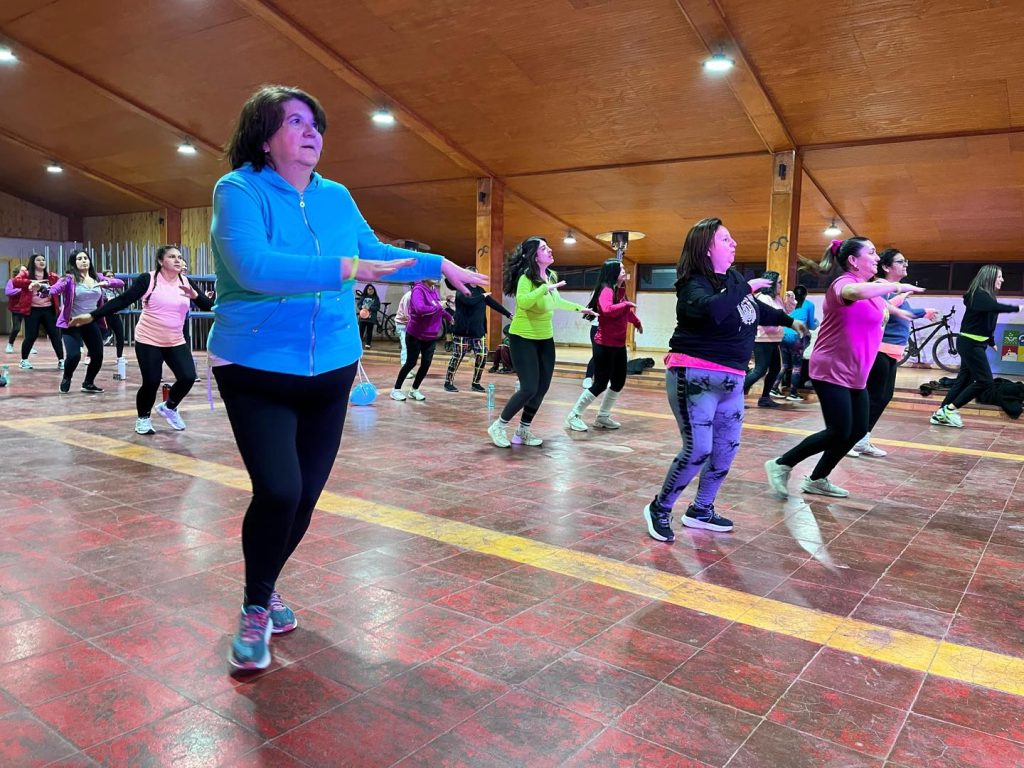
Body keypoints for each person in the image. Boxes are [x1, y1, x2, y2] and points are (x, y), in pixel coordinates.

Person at [206, 84, 486, 670]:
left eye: (316, 123)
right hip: (255, 365)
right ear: (263, 136)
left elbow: (375, 252)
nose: (312, 131)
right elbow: (253, 267)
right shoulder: (238, 190)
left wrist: (440, 264)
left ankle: (265, 586)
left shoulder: (335, 196)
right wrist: (349, 269)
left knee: (305, 498)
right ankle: (255, 606)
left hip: (331, 365)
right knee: (279, 490)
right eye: (295, 121)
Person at [643, 218, 806, 542]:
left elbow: (754, 310)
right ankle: (660, 508)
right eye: (726, 239)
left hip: (732, 380)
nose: (734, 244)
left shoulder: (733, 279)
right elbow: (713, 310)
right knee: (698, 449)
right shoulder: (692, 284)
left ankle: (701, 509)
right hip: (695, 376)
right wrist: (746, 287)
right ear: (707, 247)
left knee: (724, 450)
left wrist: (789, 321)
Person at [764, 238, 924, 499]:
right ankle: (781, 464)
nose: (877, 257)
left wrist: (908, 311)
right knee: (839, 430)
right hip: (832, 368)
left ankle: (817, 479)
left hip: (856, 371)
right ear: (853, 260)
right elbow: (853, 292)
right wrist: (897, 285)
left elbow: (885, 306)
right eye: (871, 252)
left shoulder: (873, 291)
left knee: (858, 429)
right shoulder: (843, 284)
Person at [71, 246, 212, 431]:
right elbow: (123, 300)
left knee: (188, 377)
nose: (178, 260)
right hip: (148, 339)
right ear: (161, 261)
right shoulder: (149, 279)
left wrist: (195, 296)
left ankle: (169, 407)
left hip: (175, 340)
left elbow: (209, 306)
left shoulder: (186, 281)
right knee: (152, 381)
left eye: (179, 257)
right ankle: (143, 418)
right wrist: (92, 316)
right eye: (172, 257)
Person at [488, 237, 594, 448]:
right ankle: (498, 426)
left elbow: (556, 301)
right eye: (544, 248)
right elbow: (524, 302)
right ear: (534, 256)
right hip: (522, 338)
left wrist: (579, 308)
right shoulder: (526, 278)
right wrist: (544, 288)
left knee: (542, 387)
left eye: (548, 247)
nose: (550, 250)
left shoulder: (551, 275)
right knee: (529, 387)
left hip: (545, 338)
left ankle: (523, 430)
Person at [850, 249, 937, 455]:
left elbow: (902, 313)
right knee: (875, 396)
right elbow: (882, 309)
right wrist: (916, 307)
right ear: (886, 267)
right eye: (900, 261)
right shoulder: (880, 287)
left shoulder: (893, 290)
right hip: (879, 349)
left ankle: (861, 439)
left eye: (906, 261)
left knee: (884, 396)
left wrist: (921, 311)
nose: (905, 264)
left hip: (892, 352)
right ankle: (851, 438)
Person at [931, 265, 1023, 429]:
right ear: (990, 277)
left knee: (963, 381)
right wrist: (1017, 308)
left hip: (976, 344)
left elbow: (987, 321)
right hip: (970, 343)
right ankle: (950, 410)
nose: (1002, 280)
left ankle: (940, 413)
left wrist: (991, 341)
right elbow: (994, 308)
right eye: (999, 276)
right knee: (985, 381)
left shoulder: (987, 297)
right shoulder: (978, 294)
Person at [565, 259, 642, 431]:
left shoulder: (620, 290)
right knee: (600, 383)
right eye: (620, 269)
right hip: (604, 345)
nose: (624, 271)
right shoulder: (606, 289)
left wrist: (636, 322)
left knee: (618, 382)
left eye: (624, 268)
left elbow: (626, 312)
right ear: (613, 272)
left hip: (618, 345)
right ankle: (574, 415)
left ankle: (603, 417)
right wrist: (625, 304)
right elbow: (606, 309)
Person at [50, 250, 124, 394]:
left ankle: (88, 383)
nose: (84, 260)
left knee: (97, 355)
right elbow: (55, 289)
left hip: (90, 321)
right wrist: (43, 289)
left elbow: (120, 283)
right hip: (72, 322)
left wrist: (107, 282)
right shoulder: (69, 279)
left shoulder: (97, 277)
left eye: (85, 258)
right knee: (74, 355)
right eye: (79, 258)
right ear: (74, 262)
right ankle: (67, 378)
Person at [443, 272, 512, 392]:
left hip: (478, 331)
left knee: (482, 355)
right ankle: (448, 382)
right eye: (473, 274)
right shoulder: (461, 289)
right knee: (457, 356)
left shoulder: (480, 290)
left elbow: (493, 303)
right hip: (462, 331)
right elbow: (469, 301)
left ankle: (476, 383)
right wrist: (483, 296)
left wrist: (508, 314)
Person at [391, 278, 452, 400]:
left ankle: (414, 390)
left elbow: (439, 309)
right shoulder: (418, 290)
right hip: (416, 334)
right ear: (425, 276)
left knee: (426, 364)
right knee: (411, 363)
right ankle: (396, 390)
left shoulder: (434, 290)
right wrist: (437, 307)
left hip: (431, 335)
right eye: (433, 274)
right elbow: (420, 309)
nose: (436, 277)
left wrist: (449, 317)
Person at [13, 253, 64, 370]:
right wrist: (30, 283)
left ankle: (61, 360)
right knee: (31, 335)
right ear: (33, 262)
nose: (42, 262)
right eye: (38, 260)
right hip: (32, 310)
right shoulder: (25, 274)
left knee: (55, 335)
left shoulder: (51, 276)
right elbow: (15, 281)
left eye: (43, 260)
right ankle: (24, 360)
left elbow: (62, 282)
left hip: (48, 309)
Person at [743, 273, 785, 408]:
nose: (781, 285)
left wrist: (790, 300)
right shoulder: (763, 298)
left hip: (774, 340)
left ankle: (765, 398)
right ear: (771, 283)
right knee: (760, 370)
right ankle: (734, 396)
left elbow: (784, 314)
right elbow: (765, 319)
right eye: (779, 282)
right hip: (762, 339)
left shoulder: (777, 299)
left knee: (775, 369)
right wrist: (779, 324)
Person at [774, 285, 818, 401]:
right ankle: (793, 393)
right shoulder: (809, 305)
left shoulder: (788, 303)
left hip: (783, 335)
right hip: (796, 337)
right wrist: (816, 323)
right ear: (805, 295)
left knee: (784, 364)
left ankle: (774, 388)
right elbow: (811, 325)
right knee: (796, 367)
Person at [5, 264, 27, 354]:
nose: (25, 272)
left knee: (30, 330)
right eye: (23, 270)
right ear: (18, 272)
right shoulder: (12, 281)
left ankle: (29, 346)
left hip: (28, 308)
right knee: (16, 328)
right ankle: (10, 344)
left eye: (26, 270)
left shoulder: (28, 281)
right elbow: (8, 292)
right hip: (16, 308)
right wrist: (21, 290)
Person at [394, 286, 412, 365]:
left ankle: (408, 366)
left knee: (411, 346)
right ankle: (405, 366)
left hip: (408, 324)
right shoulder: (408, 297)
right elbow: (406, 314)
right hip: (402, 324)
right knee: (406, 346)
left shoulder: (417, 296)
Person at [357, 284, 380, 348]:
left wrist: (369, 308)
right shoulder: (363, 297)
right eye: (369, 289)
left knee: (369, 331)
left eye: (372, 289)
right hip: (362, 318)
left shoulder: (376, 298)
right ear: (366, 290)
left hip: (371, 318)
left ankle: (368, 344)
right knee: (361, 331)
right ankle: (359, 344)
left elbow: (377, 308)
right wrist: (362, 306)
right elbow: (359, 305)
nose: (371, 290)